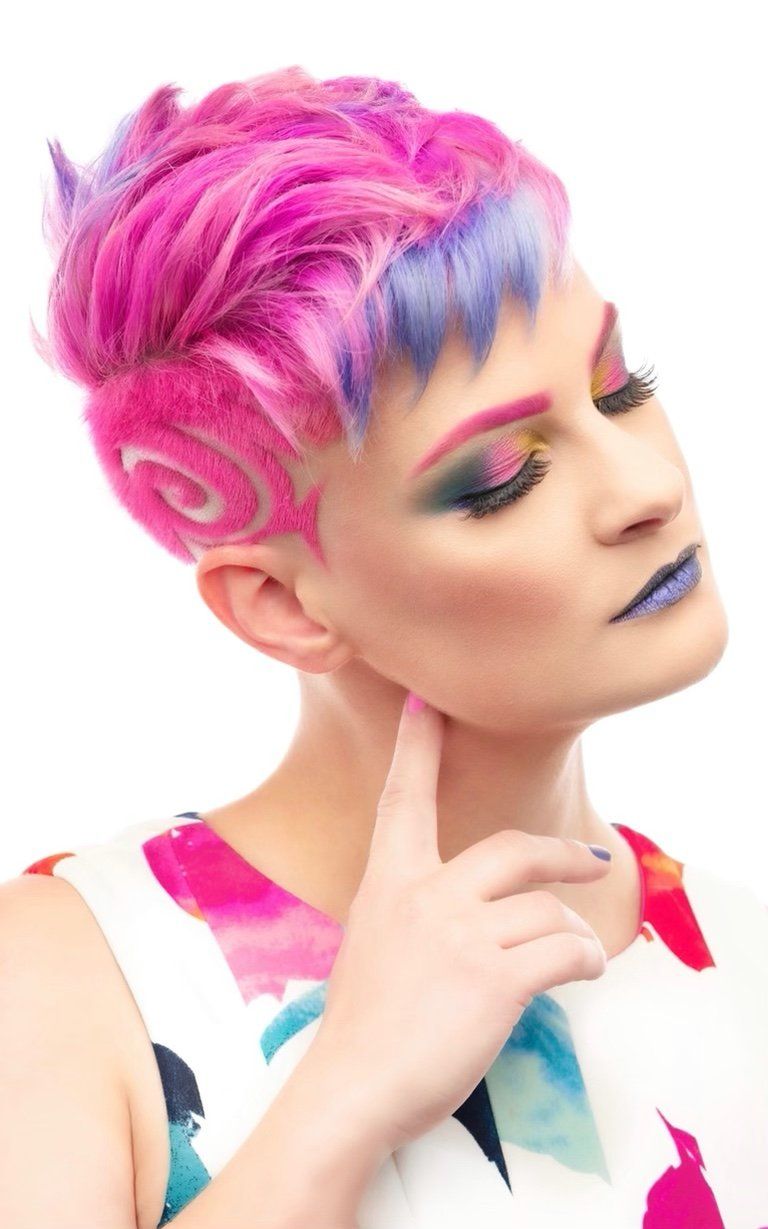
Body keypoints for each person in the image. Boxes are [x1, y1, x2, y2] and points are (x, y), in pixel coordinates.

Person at [3, 65, 767, 1229]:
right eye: (500, 476)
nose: (650, 487)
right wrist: (342, 1095)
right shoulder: (68, 980)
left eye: (621, 389)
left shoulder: (747, 956)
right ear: (280, 602)